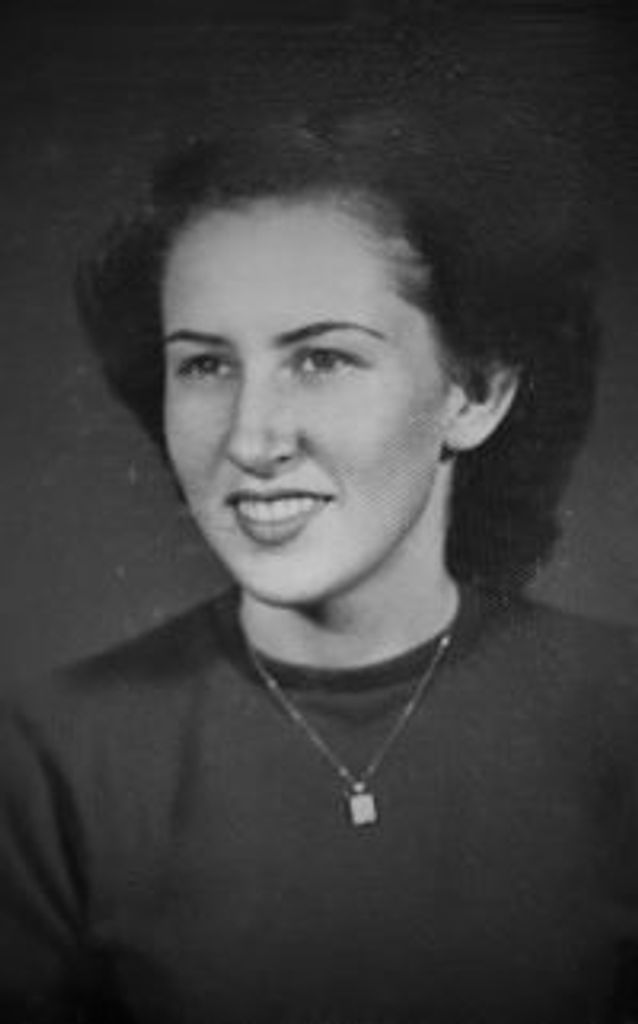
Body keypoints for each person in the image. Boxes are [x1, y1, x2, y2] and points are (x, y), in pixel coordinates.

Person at [1, 98, 637, 1024]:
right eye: (206, 366)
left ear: (475, 392)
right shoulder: (48, 758)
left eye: (323, 359)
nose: (252, 440)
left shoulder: (622, 714)